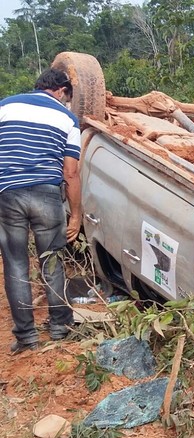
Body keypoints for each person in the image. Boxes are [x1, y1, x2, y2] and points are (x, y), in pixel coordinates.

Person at [0, 68, 82, 354]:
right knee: (51, 262)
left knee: (16, 265)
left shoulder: (5, 106)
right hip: (47, 195)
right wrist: (76, 214)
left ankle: (26, 337)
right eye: (67, 98)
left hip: (8, 194)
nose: (68, 104)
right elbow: (70, 173)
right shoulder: (68, 119)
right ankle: (60, 327)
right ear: (61, 90)